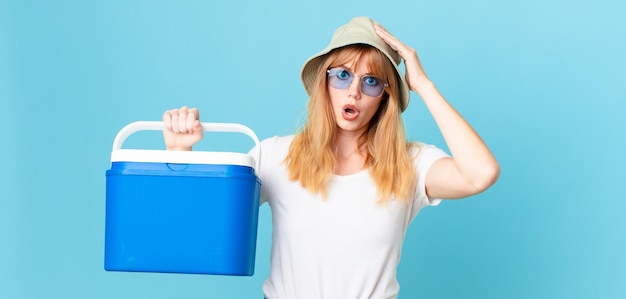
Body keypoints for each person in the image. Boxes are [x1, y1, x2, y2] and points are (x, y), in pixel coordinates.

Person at [162, 16, 499, 299]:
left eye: (371, 82)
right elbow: (202, 229)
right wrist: (180, 153)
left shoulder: (410, 164)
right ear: (323, 82)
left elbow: (479, 174)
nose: (354, 91)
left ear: (386, 96)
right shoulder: (275, 155)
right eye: (342, 75)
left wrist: (422, 85)